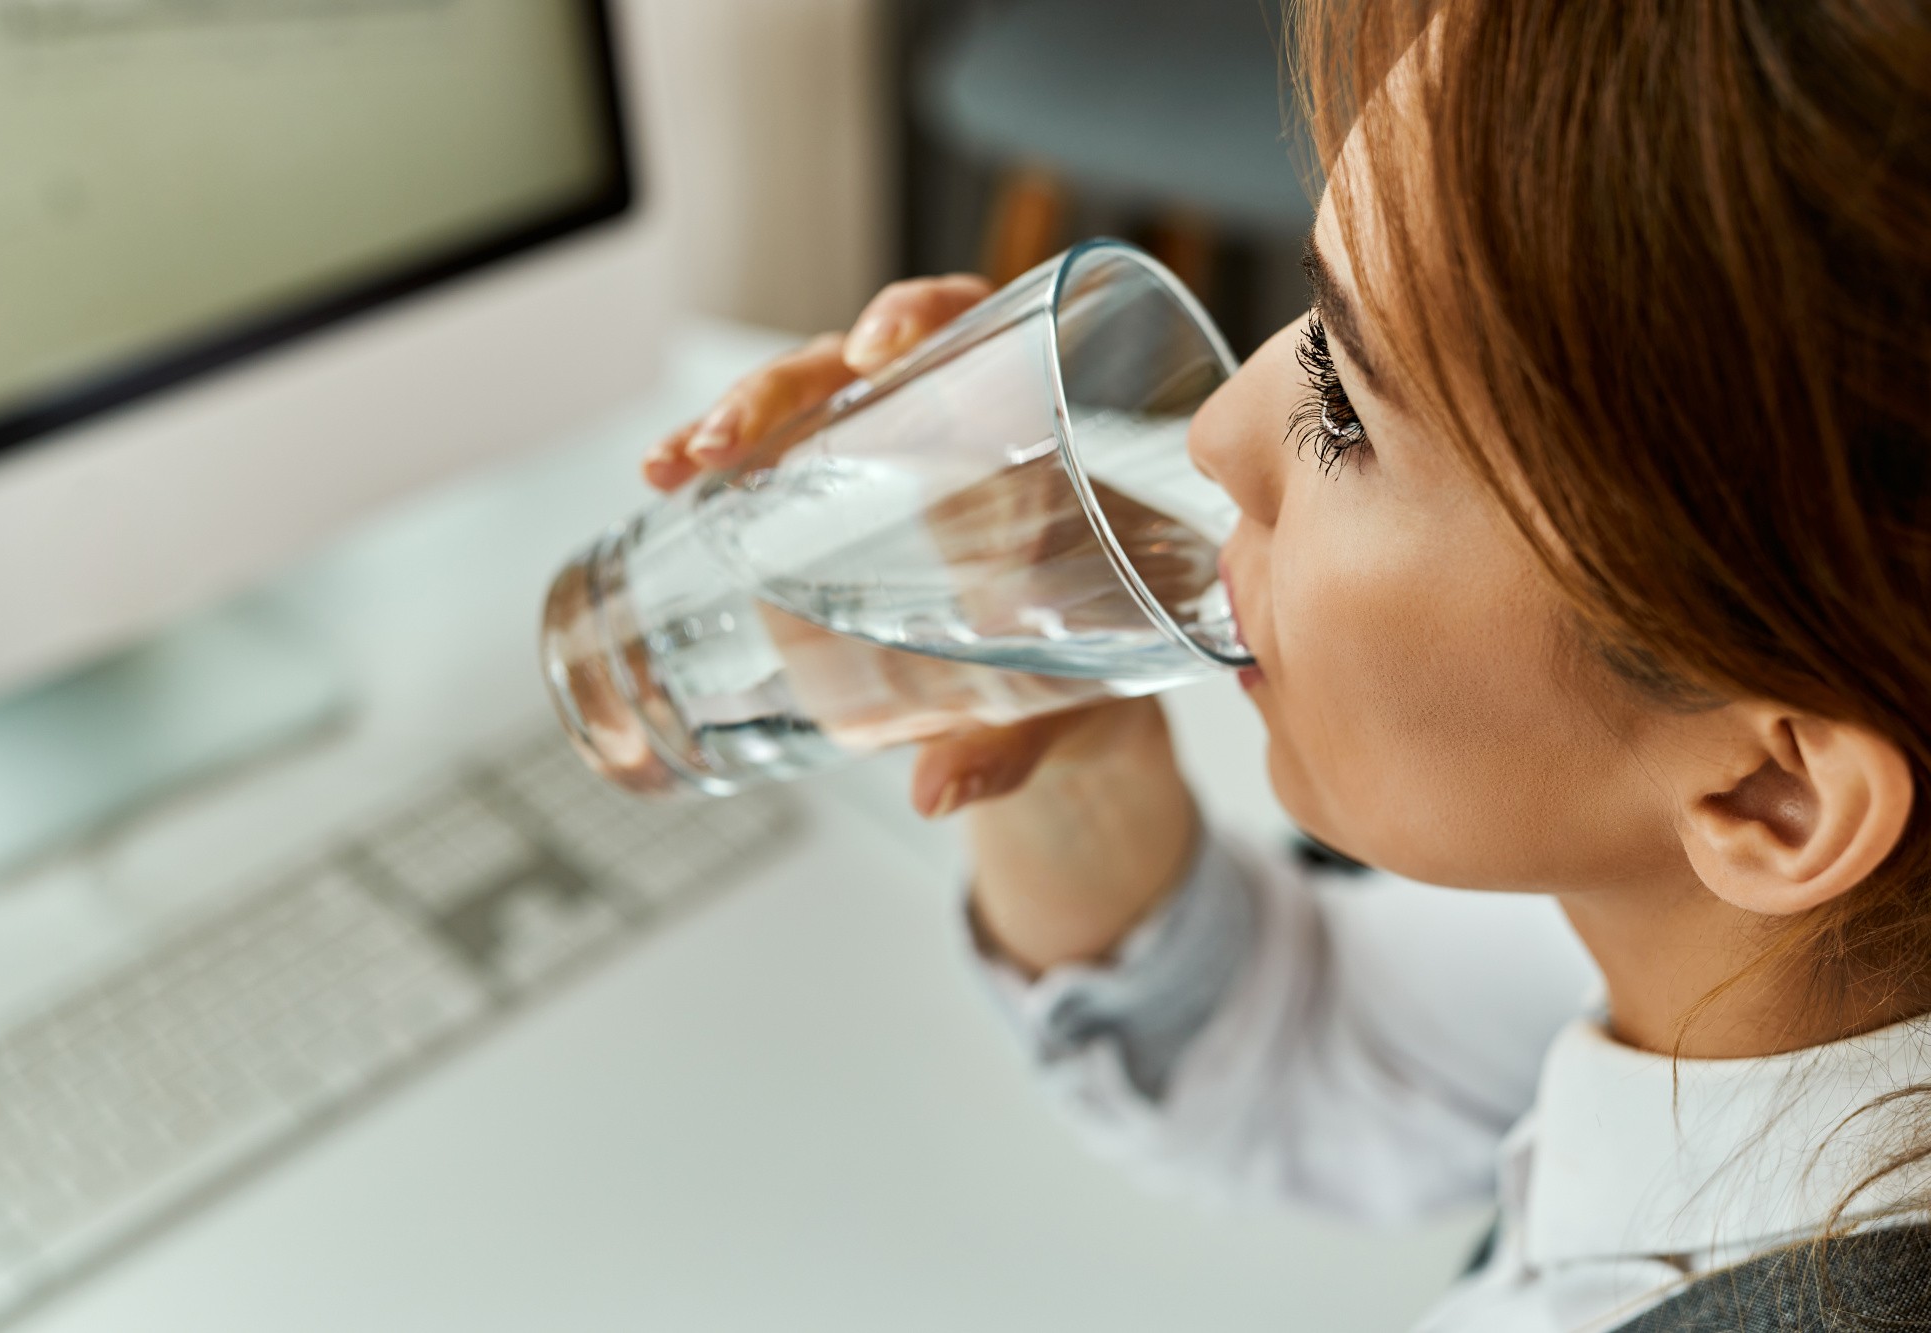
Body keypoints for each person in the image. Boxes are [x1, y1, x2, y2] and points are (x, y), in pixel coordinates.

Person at [643, 1, 1931, 1327]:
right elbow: (1328, 1050)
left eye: (1342, 408)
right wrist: (1075, 756)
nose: (1211, 433)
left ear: (1774, 795)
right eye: (1314, 317)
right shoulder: (1774, 955)